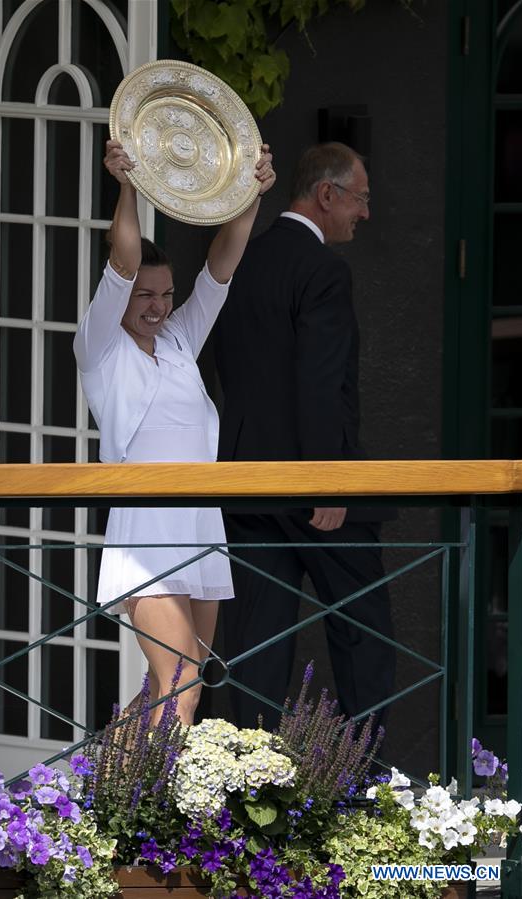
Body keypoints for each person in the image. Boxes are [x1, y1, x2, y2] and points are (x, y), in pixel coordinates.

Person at [74, 139, 275, 726]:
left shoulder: (181, 339)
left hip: (200, 520)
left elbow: (221, 268)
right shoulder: (100, 346)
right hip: (147, 524)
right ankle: (154, 812)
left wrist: (250, 194)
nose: (159, 306)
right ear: (120, 296)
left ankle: (102, 793)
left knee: (189, 678)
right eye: (144, 295)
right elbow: (124, 256)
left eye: (165, 293)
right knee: (180, 680)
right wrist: (129, 185)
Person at [213, 141, 396, 733]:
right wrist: (329, 479)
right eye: (360, 200)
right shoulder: (323, 270)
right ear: (327, 194)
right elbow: (321, 383)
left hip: (247, 486)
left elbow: (231, 368)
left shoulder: (246, 262)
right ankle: (363, 782)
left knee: (256, 642)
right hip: (313, 490)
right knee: (364, 630)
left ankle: (246, 778)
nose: (364, 214)